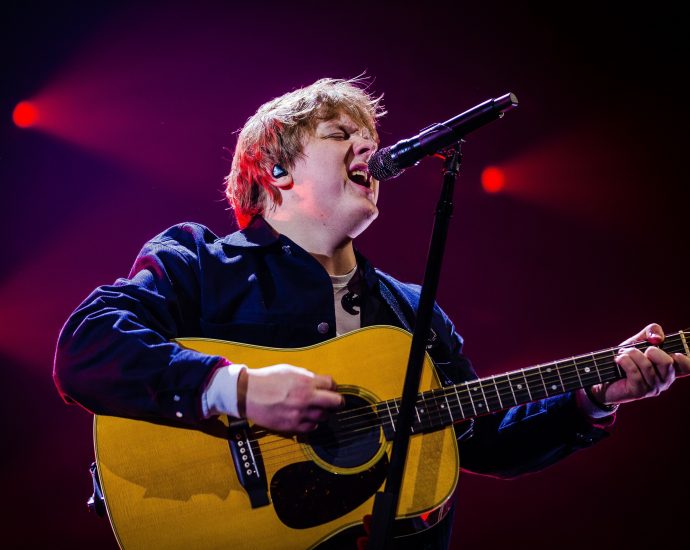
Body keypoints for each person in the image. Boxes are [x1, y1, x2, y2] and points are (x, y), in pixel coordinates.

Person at [53, 77, 689, 549]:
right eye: (339, 135)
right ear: (276, 170)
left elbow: (481, 437)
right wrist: (237, 390)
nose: (367, 147)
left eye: (371, 139)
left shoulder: (411, 311)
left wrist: (590, 399)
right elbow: (88, 345)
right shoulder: (200, 262)